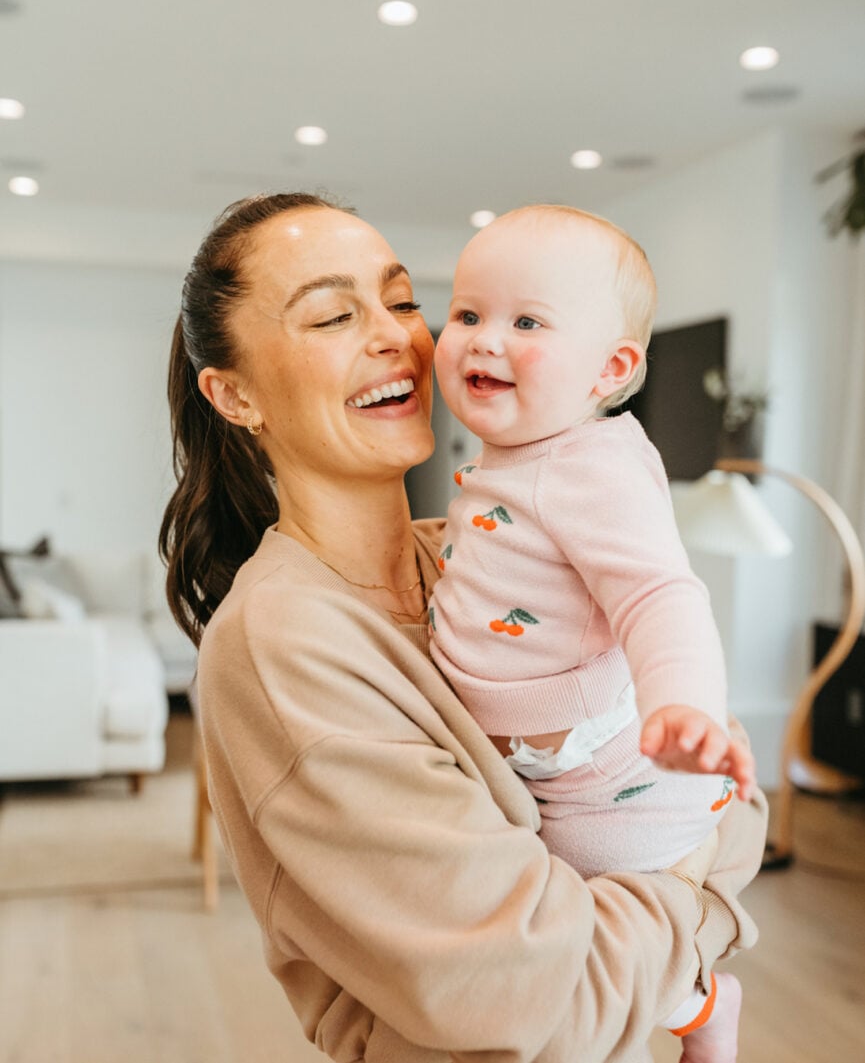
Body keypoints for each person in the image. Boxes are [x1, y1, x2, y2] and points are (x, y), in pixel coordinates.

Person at [160, 191, 768, 1063]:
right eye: (334, 314)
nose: (394, 336)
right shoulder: (282, 641)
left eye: (404, 300)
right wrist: (693, 883)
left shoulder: (474, 555)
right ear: (234, 393)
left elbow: (738, 792)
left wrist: (677, 852)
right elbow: (530, 1000)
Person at [428, 204, 757, 1062]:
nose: (480, 340)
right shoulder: (518, 455)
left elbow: (659, 594)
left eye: (526, 321)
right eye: (465, 314)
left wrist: (687, 706)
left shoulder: (590, 466)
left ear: (608, 368)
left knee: (597, 929)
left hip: (602, 776)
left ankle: (703, 1006)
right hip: (530, 767)